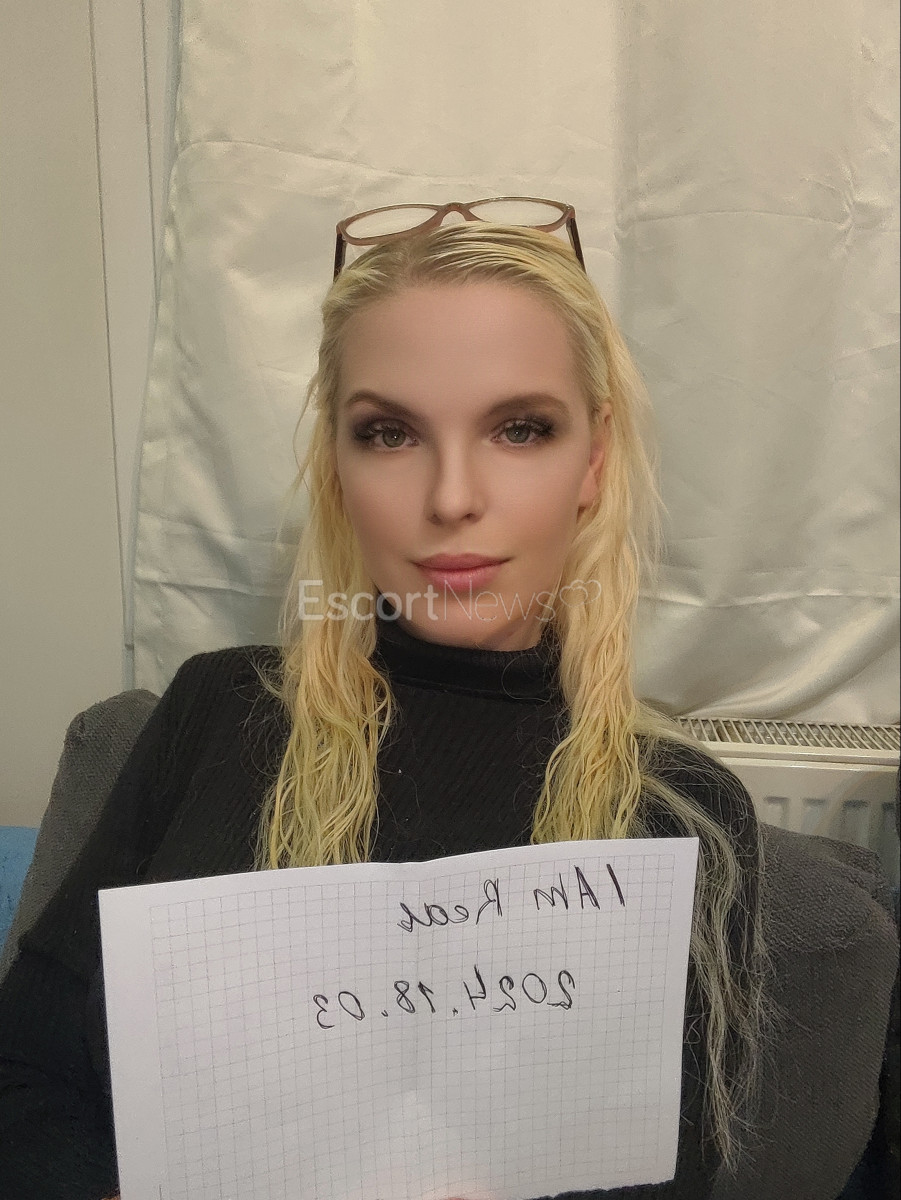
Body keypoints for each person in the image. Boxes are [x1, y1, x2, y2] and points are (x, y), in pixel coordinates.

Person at [0, 210, 768, 1199]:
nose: (450, 498)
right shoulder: (216, 710)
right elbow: (26, 1068)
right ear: (336, 460)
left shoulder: (680, 810)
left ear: (592, 460)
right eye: (389, 433)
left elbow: (664, 1175)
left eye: (519, 428)